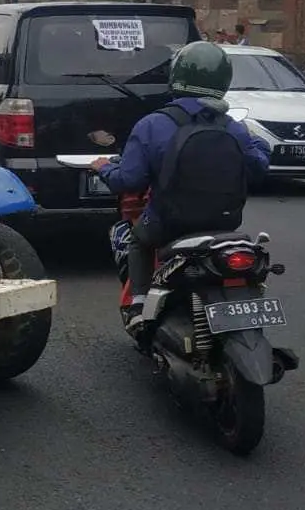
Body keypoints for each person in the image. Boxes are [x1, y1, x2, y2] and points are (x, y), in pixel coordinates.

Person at [94, 42, 270, 334]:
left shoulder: (153, 124)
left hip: (168, 225)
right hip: (225, 225)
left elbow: (129, 181)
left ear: (176, 76)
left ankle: (138, 304)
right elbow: (258, 167)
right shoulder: (234, 128)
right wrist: (260, 143)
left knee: (138, 241)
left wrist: (103, 167)